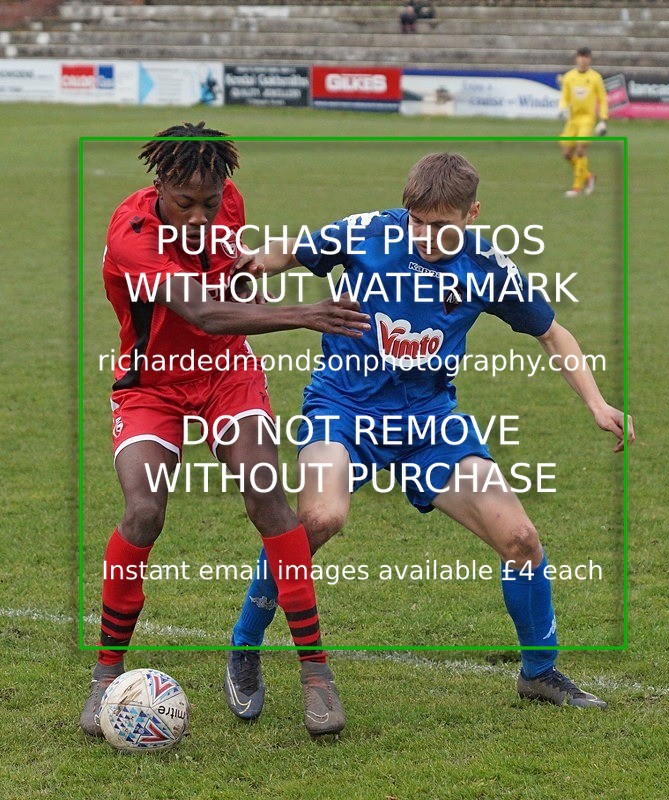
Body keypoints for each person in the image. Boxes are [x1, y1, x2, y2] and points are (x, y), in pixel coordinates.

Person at [224, 152, 634, 722]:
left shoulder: (490, 267)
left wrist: (596, 401)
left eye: (441, 226)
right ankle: (244, 645)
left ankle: (539, 672)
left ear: (472, 215)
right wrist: (253, 265)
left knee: (520, 538)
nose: (425, 236)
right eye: (416, 222)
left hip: (431, 423)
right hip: (344, 407)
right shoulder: (368, 231)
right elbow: (291, 249)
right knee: (319, 519)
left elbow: (553, 333)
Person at [79, 121, 370, 739]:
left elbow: (226, 289)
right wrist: (305, 313)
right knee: (143, 511)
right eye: (186, 202)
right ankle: (107, 673)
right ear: (159, 185)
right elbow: (201, 312)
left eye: (211, 202)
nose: (201, 215)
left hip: (226, 373)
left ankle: (316, 673)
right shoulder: (133, 235)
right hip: (152, 382)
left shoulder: (225, 203)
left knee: (269, 498)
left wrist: (244, 274)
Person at [559, 47, 609, 197]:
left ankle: (577, 187)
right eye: (581, 57)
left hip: (587, 119)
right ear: (576, 59)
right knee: (567, 154)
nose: (583, 60)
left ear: (589, 59)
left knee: (581, 150)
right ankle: (588, 176)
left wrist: (603, 120)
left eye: (586, 57)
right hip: (573, 119)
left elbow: (602, 99)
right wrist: (562, 109)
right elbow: (565, 97)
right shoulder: (569, 77)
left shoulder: (595, 78)